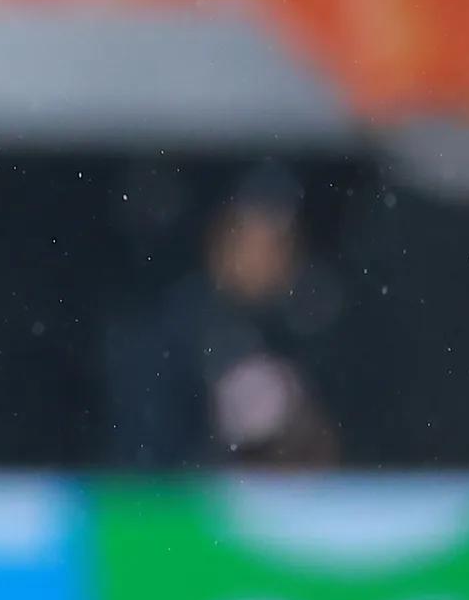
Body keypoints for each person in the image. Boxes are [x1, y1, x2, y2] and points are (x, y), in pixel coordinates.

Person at [105, 167, 349, 470]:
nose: (259, 259)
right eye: (248, 241)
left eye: (274, 245)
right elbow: (150, 441)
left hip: (304, 502)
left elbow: (348, 439)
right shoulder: (179, 328)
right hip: (197, 500)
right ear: (218, 243)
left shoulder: (317, 324)